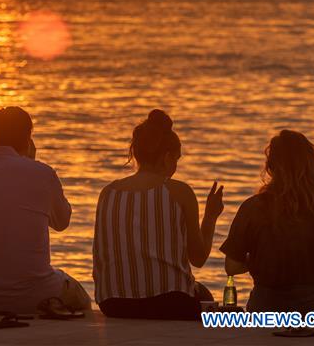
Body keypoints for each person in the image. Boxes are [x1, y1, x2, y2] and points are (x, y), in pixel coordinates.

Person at [0, 106, 91, 315]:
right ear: (28, 139)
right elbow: (62, 222)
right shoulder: (41, 173)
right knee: (81, 297)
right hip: (35, 296)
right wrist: (30, 164)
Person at [92, 109, 223, 320]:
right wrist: (210, 216)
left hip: (113, 303)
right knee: (205, 294)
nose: (176, 166)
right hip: (171, 303)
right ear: (167, 157)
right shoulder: (179, 192)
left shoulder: (108, 192)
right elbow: (198, 258)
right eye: (176, 159)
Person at [221, 130, 314, 324]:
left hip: (268, 309)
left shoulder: (252, 207)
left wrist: (259, 261)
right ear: (311, 165)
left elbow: (232, 267)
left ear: (271, 167)